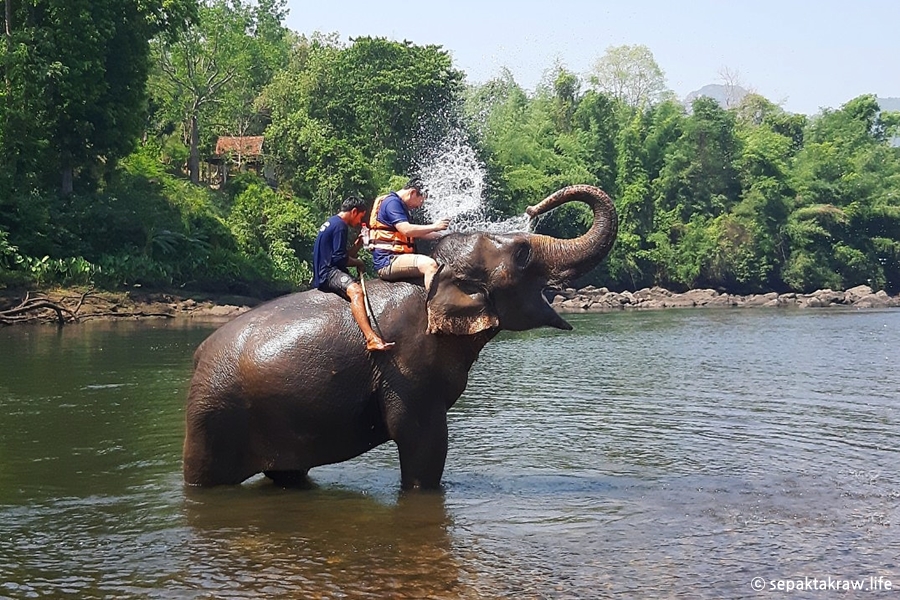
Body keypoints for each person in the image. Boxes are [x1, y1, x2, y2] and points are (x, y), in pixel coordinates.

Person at [312, 196, 394, 352]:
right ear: (354, 211)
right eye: (360, 217)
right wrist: (359, 263)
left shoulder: (333, 222)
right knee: (356, 291)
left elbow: (341, 255)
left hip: (326, 269)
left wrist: (357, 244)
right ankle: (371, 338)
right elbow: (339, 259)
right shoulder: (340, 226)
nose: (358, 222)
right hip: (329, 273)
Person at [367, 178, 450, 293]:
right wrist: (435, 226)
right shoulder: (392, 203)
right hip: (389, 260)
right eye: (421, 201)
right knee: (429, 265)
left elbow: (418, 233)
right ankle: (436, 310)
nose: (419, 206)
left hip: (398, 258)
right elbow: (406, 230)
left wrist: (445, 235)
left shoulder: (400, 206)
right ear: (413, 193)